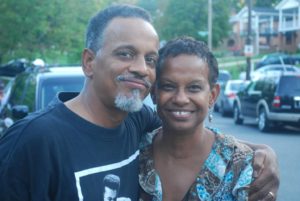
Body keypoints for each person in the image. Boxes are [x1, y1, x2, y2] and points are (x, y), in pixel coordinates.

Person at [0, 4, 278, 201]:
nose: (141, 69)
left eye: (150, 59)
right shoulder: (33, 140)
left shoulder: (135, 121)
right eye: (125, 54)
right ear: (89, 62)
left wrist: (262, 152)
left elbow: (191, 133)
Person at [139, 36, 278, 201]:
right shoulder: (136, 152)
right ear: (154, 93)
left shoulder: (242, 167)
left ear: (212, 95)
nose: (181, 98)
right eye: (169, 86)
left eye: (194, 88)